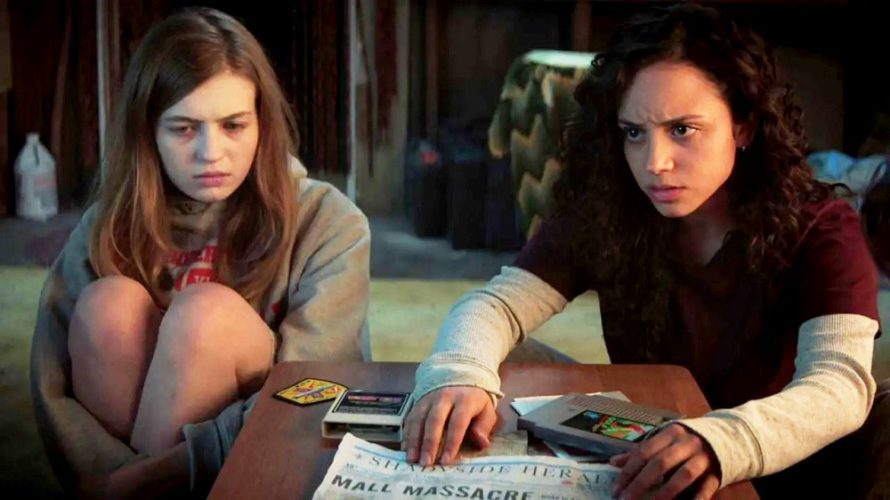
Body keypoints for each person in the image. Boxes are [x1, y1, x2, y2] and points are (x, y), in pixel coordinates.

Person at [405, 3, 884, 499]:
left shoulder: (823, 227)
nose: (654, 163)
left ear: (743, 126)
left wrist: (721, 440)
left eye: (682, 130)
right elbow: (498, 306)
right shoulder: (612, 209)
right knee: (490, 361)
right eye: (634, 132)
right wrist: (459, 372)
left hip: (769, 469)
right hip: (638, 456)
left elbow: (840, 384)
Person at [30, 8, 370, 498]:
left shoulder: (329, 220)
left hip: (263, 455)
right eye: (184, 128)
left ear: (262, 124)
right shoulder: (108, 223)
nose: (211, 152)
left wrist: (161, 473)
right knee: (108, 305)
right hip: (120, 479)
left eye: (233, 125)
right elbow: (53, 386)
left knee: (204, 315)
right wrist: (110, 477)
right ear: (148, 132)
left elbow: (313, 387)